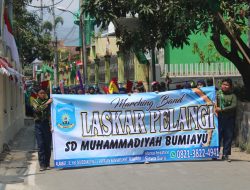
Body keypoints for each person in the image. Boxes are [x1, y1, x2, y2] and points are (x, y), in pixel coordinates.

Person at [31, 87, 53, 171]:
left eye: (44, 93)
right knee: (41, 145)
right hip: (38, 125)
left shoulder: (48, 101)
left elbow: (51, 113)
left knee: (47, 145)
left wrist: (51, 124)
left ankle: (47, 164)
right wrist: (47, 103)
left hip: (46, 124)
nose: (43, 94)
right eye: (41, 93)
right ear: (38, 94)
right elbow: (38, 110)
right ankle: (42, 164)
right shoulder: (35, 101)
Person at [216, 78, 237, 162]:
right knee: (218, 136)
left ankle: (225, 155)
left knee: (228, 137)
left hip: (229, 119)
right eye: (223, 84)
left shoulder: (232, 96)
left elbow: (234, 106)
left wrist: (222, 109)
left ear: (230, 86)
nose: (225, 86)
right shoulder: (217, 94)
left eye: (227, 85)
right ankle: (215, 153)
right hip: (218, 119)